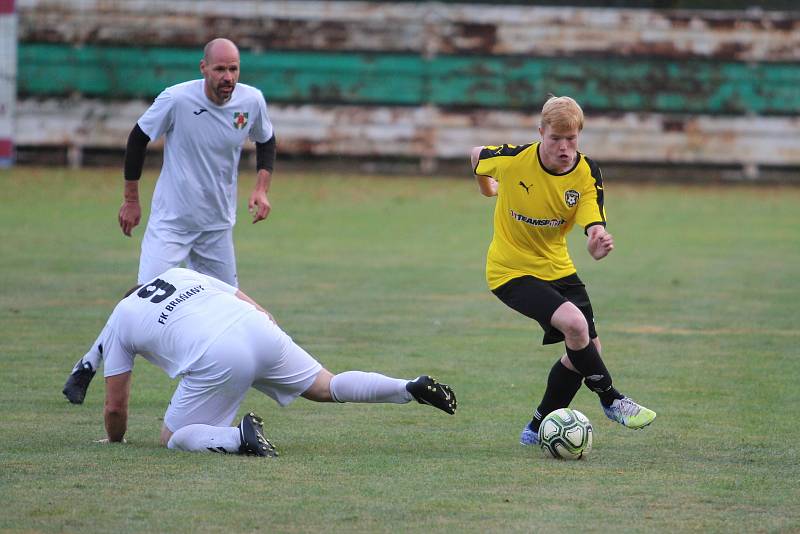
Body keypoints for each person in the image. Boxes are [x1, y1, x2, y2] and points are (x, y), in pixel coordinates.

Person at [63, 38, 276, 403]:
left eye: (234, 69)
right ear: (203, 68)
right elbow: (137, 139)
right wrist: (131, 199)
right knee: (142, 301)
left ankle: (252, 373)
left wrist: (261, 188)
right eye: (221, 69)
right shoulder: (177, 99)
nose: (228, 77)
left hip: (217, 226)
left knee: (235, 308)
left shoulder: (251, 100)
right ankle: (87, 364)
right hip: (171, 223)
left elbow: (267, 141)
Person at [78, 267, 457, 456]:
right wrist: (266, 320)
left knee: (172, 438)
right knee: (326, 386)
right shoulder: (178, 273)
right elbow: (239, 293)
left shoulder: (121, 317)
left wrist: (115, 440)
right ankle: (407, 386)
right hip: (255, 325)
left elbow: (115, 405)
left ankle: (236, 437)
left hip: (219, 352)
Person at [470, 95, 656, 446]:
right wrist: (488, 189)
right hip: (510, 271)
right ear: (541, 133)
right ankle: (613, 399)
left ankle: (536, 427)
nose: (564, 147)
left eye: (571, 139)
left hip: (558, 268)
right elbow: (477, 155)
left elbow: (592, 218)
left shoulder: (587, 171)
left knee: (587, 350)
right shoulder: (513, 160)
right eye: (556, 138)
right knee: (575, 325)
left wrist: (596, 239)